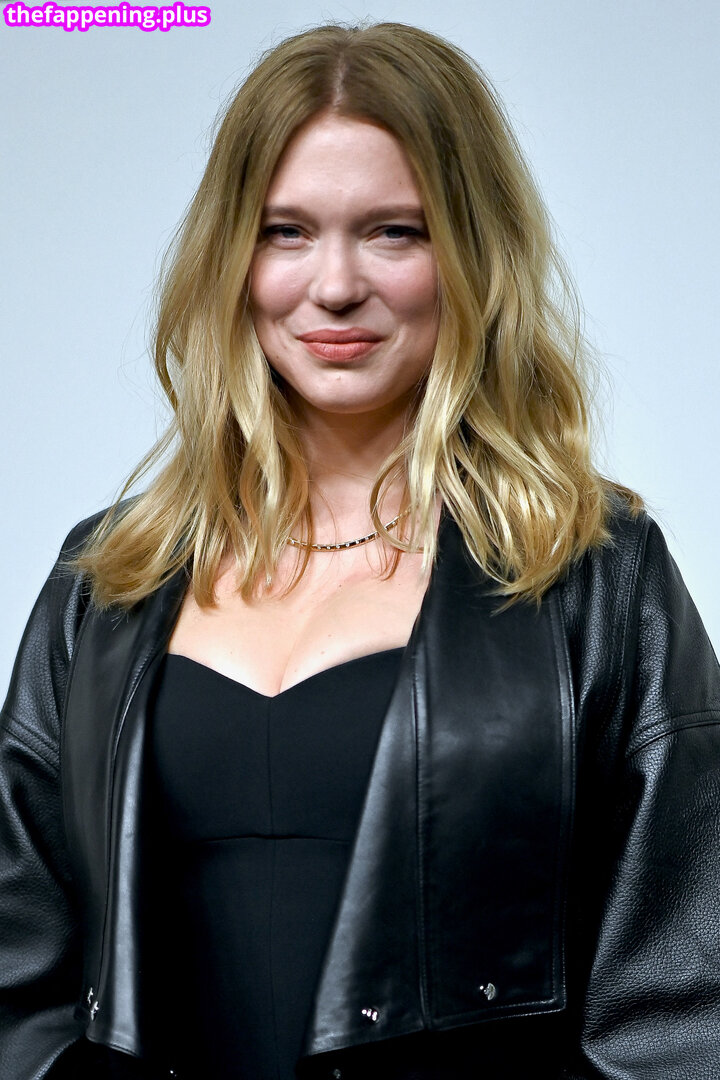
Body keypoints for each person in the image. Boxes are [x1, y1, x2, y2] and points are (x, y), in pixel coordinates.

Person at [1, 19, 719, 1080]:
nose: (334, 285)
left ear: (471, 254)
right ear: (232, 258)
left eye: (394, 232)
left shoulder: (594, 575)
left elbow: (681, 1017)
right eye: (286, 232)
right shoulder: (108, 582)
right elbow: (20, 978)